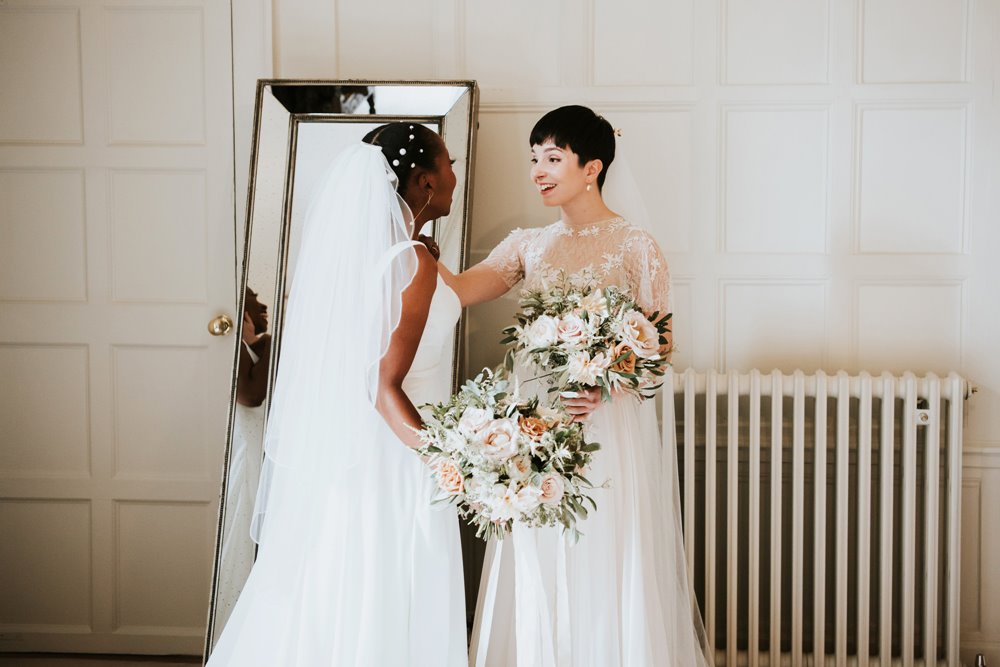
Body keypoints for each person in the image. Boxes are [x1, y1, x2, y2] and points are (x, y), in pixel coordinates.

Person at [441, 105, 713, 666]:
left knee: (600, 547)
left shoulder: (637, 246)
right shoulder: (527, 244)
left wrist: (610, 389)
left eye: (553, 158)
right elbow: (459, 291)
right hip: (531, 424)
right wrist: (409, 241)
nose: (538, 170)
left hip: (602, 425)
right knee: (536, 545)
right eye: (534, 158)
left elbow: (658, 348)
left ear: (591, 167)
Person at [206, 123, 466, 666]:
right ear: (422, 182)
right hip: (399, 450)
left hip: (354, 453)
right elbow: (381, 384)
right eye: (448, 165)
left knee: (343, 586)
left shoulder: (379, 257)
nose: (454, 175)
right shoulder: (412, 262)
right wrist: (449, 463)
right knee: (390, 586)